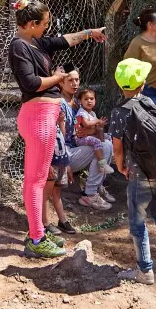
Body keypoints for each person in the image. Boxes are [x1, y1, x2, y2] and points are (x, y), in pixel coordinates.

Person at [8, 0, 106, 259]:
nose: (47, 28)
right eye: (44, 24)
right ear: (30, 24)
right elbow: (30, 82)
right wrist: (58, 78)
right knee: (36, 180)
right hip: (38, 117)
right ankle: (37, 238)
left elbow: (65, 39)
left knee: (42, 179)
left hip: (45, 118)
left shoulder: (35, 41)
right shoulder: (19, 46)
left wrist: (89, 33)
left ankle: (39, 231)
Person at [109, 58, 156, 284]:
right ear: (142, 83)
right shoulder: (149, 102)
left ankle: (144, 270)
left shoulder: (119, 112)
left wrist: (120, 166)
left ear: (121, 86)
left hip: (140, 172)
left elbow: (117, 147)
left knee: (138, 221)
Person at [60, 73, 116, 209]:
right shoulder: (60, 104)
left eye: (77, 79)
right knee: (104, 146)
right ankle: (90, 195)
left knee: (107, 144)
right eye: (70, 80)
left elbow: (96, 131)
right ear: (61, 83)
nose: (75, 83)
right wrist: (63, 160)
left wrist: (96, 130)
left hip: (77, 148)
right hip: (65, 153)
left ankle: (96, 187)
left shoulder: (78, 105)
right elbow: (56, 135)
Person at [123, 8, 156, 115]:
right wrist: (131, 93)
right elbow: (126, 68)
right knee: (153, 129)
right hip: (150, 93)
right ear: (150, 25)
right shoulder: (137, 43)